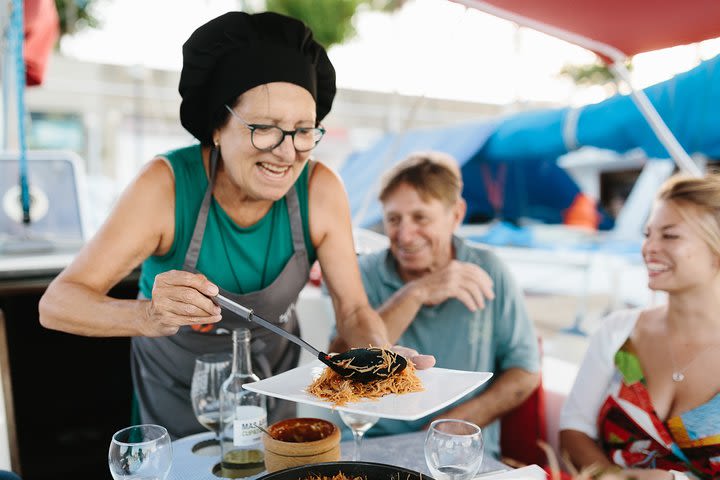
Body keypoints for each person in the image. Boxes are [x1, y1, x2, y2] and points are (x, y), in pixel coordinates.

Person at [38, 11, 433, 439]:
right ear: (217, 127)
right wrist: (150, 314)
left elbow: (354, 310)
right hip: (174, 419)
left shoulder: (320, 190)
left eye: (303, 131)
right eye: (265, 129)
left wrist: (377, 355)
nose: (287, 153)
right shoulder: (165, 187)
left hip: (275, 417)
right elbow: (57, 304)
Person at [329, 151, 541, 460]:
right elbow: (339, 360)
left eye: (420, 218)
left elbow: (524, 372)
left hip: (460, 450)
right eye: (393, 219)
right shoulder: (364, 273)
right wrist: (416, 293)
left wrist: (451, 426)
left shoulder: (489, 269)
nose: (404, 234)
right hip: (369, 445)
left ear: (456, 214)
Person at [559, 173, 720, 479]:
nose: (649, 248)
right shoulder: (617, 331)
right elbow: (573, 430)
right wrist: (614, 477)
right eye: (648, 234)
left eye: (669, 236)